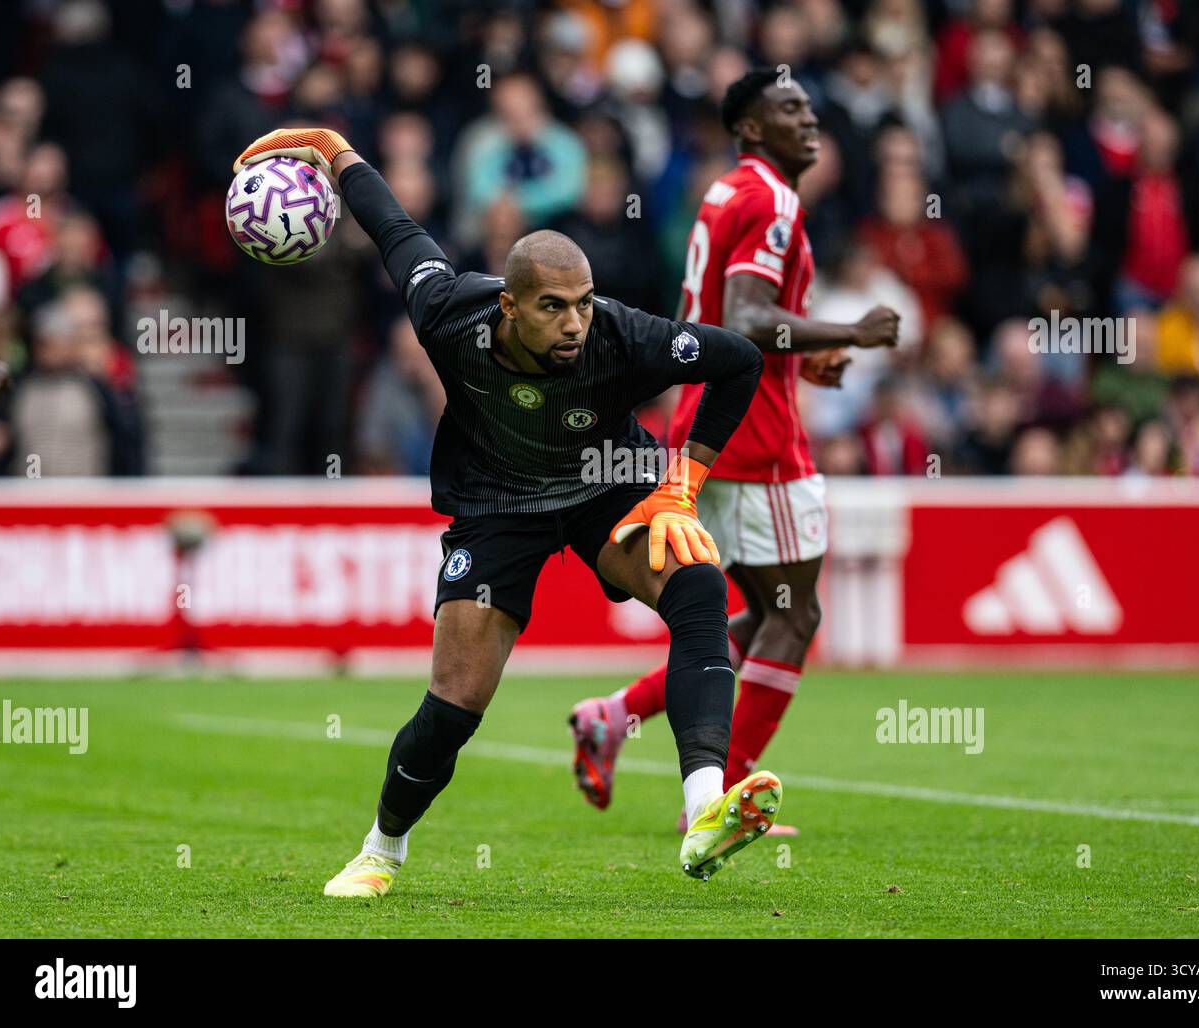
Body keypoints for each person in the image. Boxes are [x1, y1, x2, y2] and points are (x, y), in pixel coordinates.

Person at [230, 127, 774, 896]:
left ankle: (703, 811)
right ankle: (381, 850)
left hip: (608, 485)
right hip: (496, 507)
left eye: (582, 306)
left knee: (700, 590)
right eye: (554, 308)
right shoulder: (447, 311)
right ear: (510, 306)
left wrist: (682, 484)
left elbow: (740, 362)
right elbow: (393, 227)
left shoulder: (621, 335)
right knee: (455, 704)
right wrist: (333, 149)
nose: (575, 325)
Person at [569, 70, 899, 833]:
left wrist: (801, 354)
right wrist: (848, 330)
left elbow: (731, 316)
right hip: (757, 436)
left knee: (756, 614)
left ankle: (613, 717)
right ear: (751, 128)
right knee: (794, 613)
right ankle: (722, 800)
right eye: (789, 109)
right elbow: (748, 318)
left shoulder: (727, 193)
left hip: (710, 420)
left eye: (812, 107)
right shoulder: (772, 202)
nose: (810, 120)